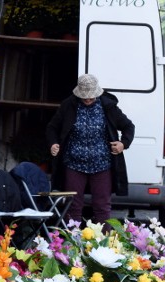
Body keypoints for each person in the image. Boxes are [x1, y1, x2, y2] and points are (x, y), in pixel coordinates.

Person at [46, 74, 135, 224]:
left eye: (91, 97)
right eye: (84, 97)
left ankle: (104, 244)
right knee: (73, 205)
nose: (88, 99)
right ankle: (72, 243)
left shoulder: (108, 106)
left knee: (102, 206)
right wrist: (53, 143)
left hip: (102, 164)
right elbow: (52, 128)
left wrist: (123, 144)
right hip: (73, 163)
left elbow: (128, 127)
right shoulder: (68, 105)